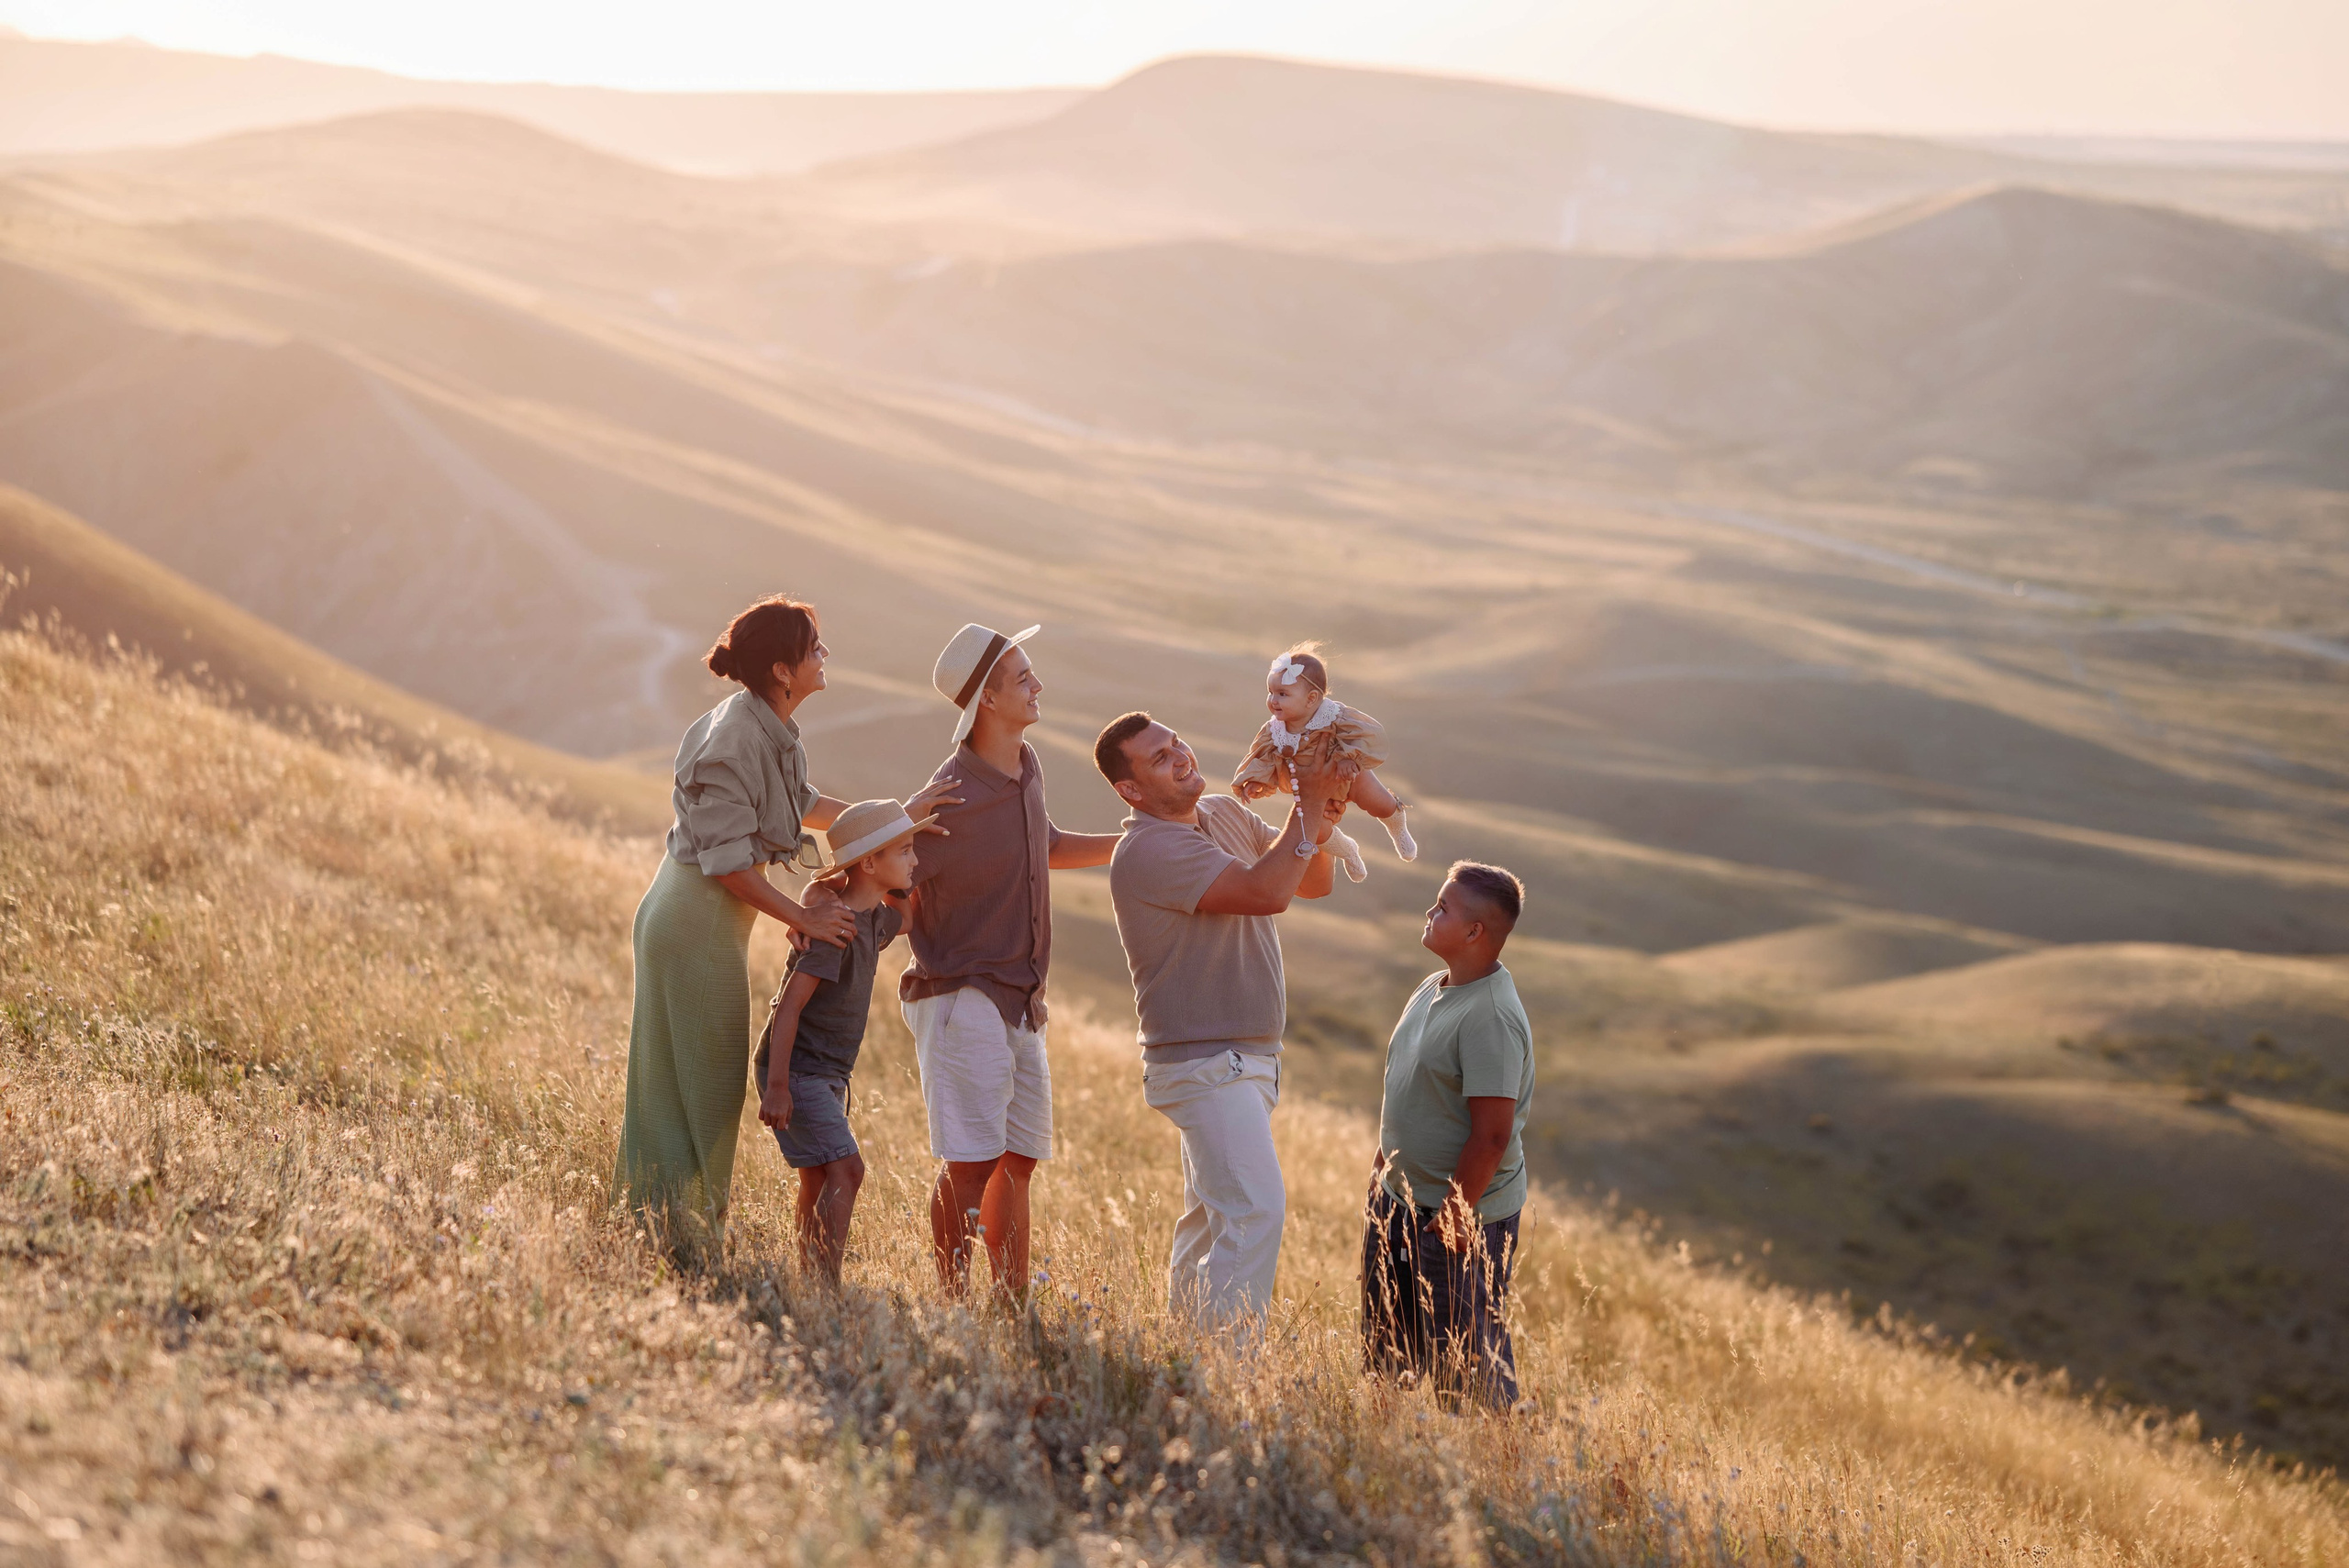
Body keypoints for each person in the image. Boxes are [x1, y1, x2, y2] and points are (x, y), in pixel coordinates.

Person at [612, 595, 955, 1261]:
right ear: (782, 670)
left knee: (687, 1077)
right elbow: (725, 863)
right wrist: (800, 915)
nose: (825, 656)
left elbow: (804, 806)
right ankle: (682, 1230)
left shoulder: (768, 725)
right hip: (694, 917)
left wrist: (894, 819)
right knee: (703, 1083)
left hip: (710, 918)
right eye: (815, 647)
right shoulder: (735, 736)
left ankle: (669, 1220)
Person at [1096, 710, 1344, 1326]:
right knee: (1254, 1209)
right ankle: (1230, 1372)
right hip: (1207, 1062)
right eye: (1158, 758)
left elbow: (1311, 881)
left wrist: (1321, 815)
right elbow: (1267, 892)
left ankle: (1186, 1355)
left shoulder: (1223, 813)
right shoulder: (1150, 847)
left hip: (1242, 1059)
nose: (1179, 754)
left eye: (1175, 740)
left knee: (1212, 1217)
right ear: (1131, 790)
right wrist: (1304, 811)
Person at [898, 623, 1120, 1304]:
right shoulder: (950, 795)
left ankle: (1011, 1300)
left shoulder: (1028, 768)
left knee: (1017, 1157)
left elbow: (1044, 843)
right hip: (961, 995)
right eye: (1023, 677)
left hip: (1022, 997)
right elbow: (893, 878)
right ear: (987, 700)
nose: (1038, 685)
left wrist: (1134, 843)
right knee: (972, 1161)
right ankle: (953, 1298)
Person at [1360, 862, 1534, 1412]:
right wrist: (1382, 1170)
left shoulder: (1491, 1019)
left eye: (1442, 909)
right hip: (1400, 1199)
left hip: (1460, 1217)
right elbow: (1405, 1090)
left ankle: (1496, 1475)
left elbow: (1492, 1137)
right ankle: (1395, 1461)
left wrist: (1454, 1220)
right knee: (1387, 1353)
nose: (1430, 914)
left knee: (1468, 1368)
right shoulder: (1432, 987)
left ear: (1475, 933)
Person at [753, 798, 929, 1285]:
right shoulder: (836, 928)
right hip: (796, 1070)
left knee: (817, 1175)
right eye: (906, 851)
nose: (916, 860)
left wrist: (838, 883)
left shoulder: (872, 918)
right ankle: (826, 1286)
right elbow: (789, 1008)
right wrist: (778, 1087)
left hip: (826, 1072)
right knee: (848, 1171)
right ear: (870, 863)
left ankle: (810, 1279)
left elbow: (907, 921)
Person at [1230, 641, 1415, 884]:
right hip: (1312, 792)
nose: (1273, 700)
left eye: (1282, 694)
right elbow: (1264, 759)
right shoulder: (1274, 731)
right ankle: (1348, 850)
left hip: (1347, 775)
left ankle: (1396, 823)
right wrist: (1253, 781)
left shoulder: (1333, 716)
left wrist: (1351, 759)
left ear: (1311, 699)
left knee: (1378, 802)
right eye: (1270, 692)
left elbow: (1362, 735)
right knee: (1314, 831)